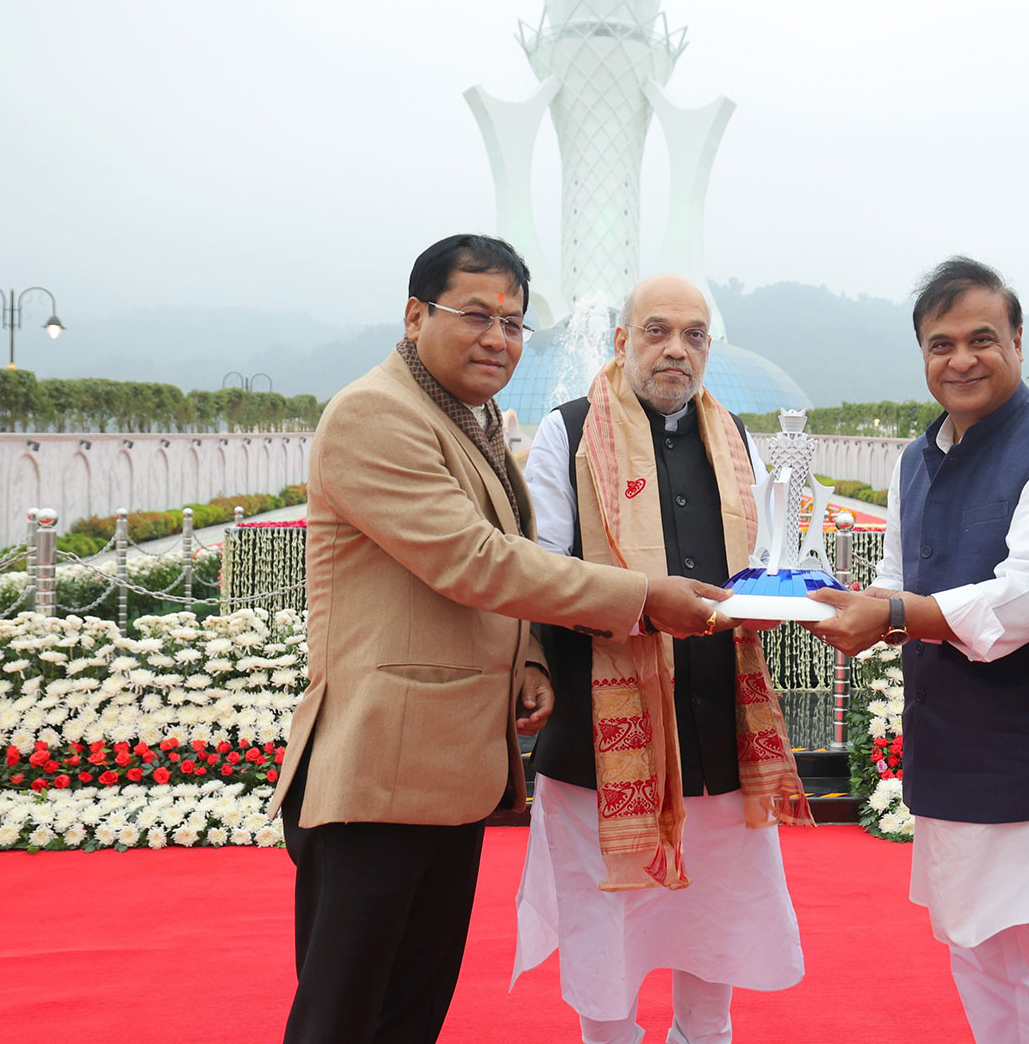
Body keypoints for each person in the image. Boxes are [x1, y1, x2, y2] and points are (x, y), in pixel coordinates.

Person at [269, 235, 736, 1044]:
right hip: (378, 768)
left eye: (515, 323)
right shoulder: (374, 414)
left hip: (451, 768)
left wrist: (526, 661)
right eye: (476, 316)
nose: (499, 338)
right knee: (344, 1013)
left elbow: (494, 561)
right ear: (416, 315)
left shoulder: (469, 418)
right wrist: (644, 599)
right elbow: (474, 561)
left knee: (410, 1008)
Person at [811, 256, 1029, 1044]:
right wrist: (844, 607)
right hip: (951, 755)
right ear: (922, 355)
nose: (961, 359)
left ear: (1018, 340)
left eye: (982, 338)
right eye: (940, 343)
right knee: (977, 958)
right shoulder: (916, 459)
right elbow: (895, 577)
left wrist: (892, 613)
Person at [513, 273, 811, 1044]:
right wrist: (642, 599)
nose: (676, 350)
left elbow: (759, 565)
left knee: (713, 936)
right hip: (601, 750)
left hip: (719, 740)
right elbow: (537, 574)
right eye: (656, 331)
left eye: (694, 335)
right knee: (606, 933)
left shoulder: (733, 438)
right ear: (621, 341)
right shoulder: (569, 432)